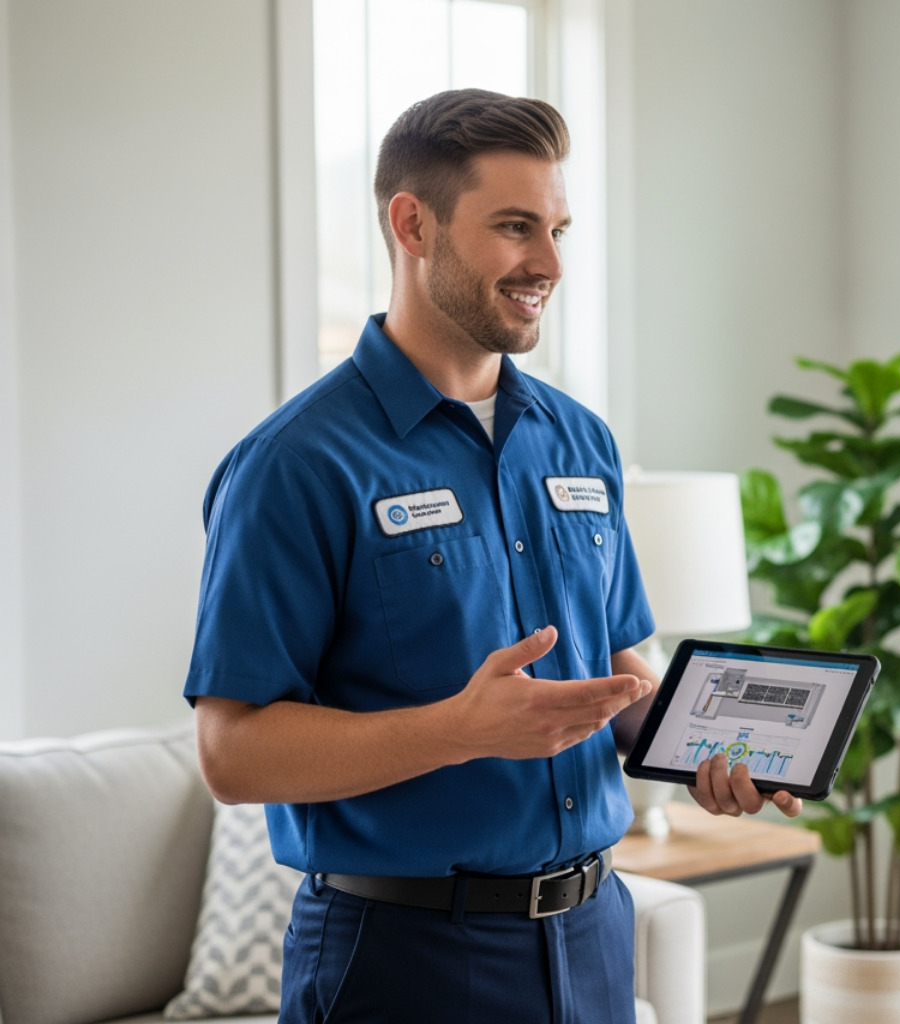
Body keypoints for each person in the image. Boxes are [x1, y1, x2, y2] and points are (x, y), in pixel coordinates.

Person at [185, 89, 799, 1024]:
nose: (549, 263)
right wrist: (460, 729)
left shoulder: (582, 440)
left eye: (558, 229)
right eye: (516, 227)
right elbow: (232, 754)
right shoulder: (295, 464)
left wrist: (707, 750)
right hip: (403, 961)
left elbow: (618, 667)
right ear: (413, 225)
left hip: (594, 938)